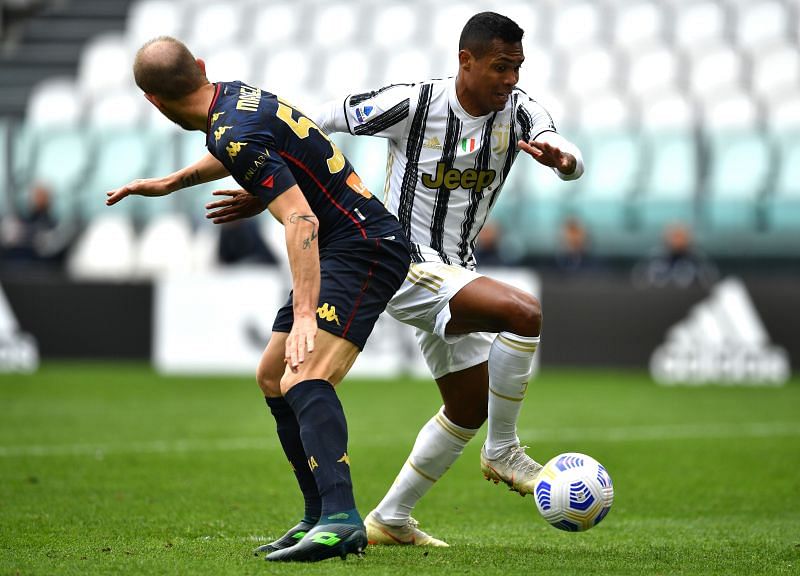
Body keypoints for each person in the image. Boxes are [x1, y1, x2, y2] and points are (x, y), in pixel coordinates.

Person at [185, 11, 584, 547]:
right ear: (465, 60)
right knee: (523, 313)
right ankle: (504, 450)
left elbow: (565, 149)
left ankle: (391, 519)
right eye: (500, 67)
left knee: (467, 406)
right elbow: (315, 122)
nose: (510, 79)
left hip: (454, 271)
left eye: (517, 67)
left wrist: (565, 161)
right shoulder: (414, 103)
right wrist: (266, 184)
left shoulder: (519, 110)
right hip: (401, 258)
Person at [104, 37, 411, 562]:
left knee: (303, 373)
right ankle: (317, 515)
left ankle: (342, 520)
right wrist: (171, 182)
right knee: (272, 375)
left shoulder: (232, 132)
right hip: (343, 244)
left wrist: (308, 313)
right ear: (200, 68)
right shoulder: (236, 99)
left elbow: (301, 218)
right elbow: (242, 150)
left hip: (363, 246)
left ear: (153, 101)